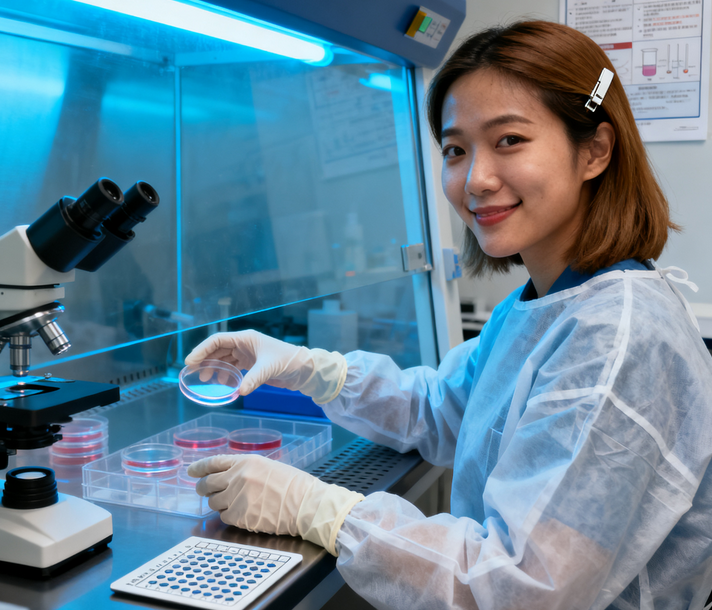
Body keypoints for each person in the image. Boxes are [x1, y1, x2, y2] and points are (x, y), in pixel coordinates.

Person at [184, 20, 712, 610]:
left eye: (509, 140)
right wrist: (310, 370)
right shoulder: (547, 302)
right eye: (456, 150)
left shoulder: (617, 338)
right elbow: (444, 410)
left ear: (594, 151)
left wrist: (322, 512)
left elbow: (519, 588)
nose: (476, 180)